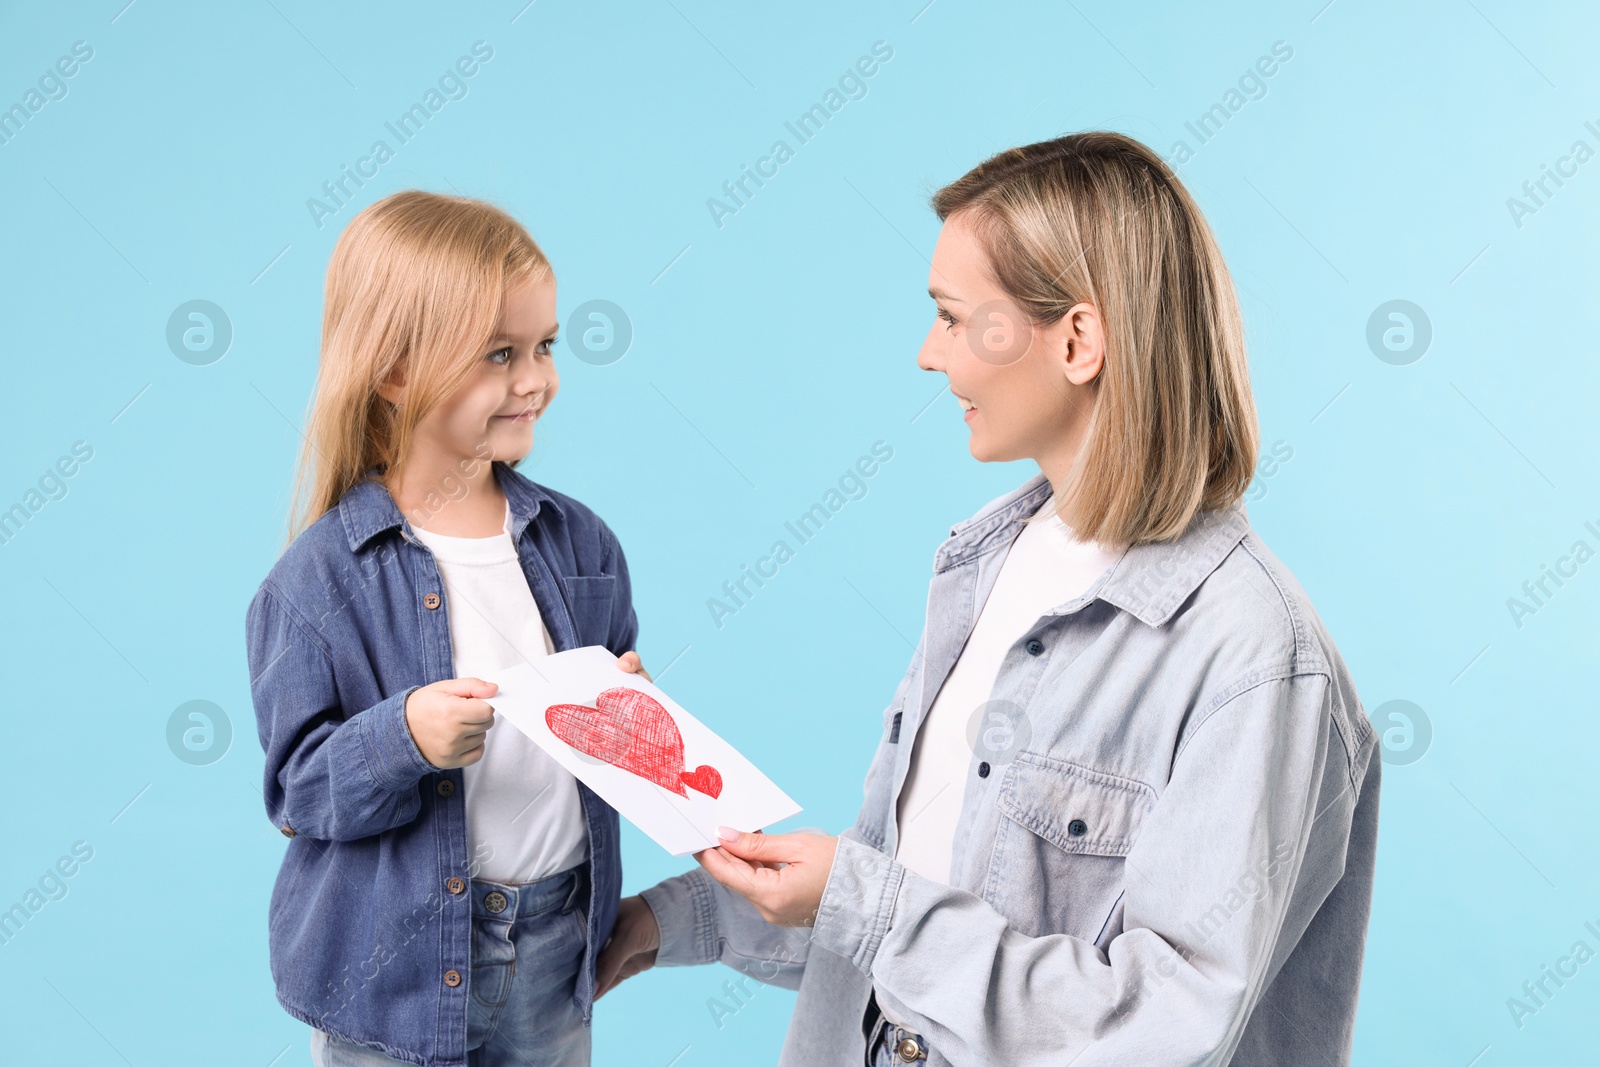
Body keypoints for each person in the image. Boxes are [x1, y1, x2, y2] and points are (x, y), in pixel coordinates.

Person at [598, 132, 1381, 1065]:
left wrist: (863, 899)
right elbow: (912, 900)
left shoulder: (1255, 658)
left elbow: (1169, 1026)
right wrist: (659, 923)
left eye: (956, 317)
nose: (931, 354)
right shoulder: (985, 563)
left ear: (1078, 340)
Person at [245, 190, 643, 1067]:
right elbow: (297, 794)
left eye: (544, 346)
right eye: (500, 353)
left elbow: (602, 744)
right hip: (394, 970)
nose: (537, 378)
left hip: (555, 944)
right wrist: (405, 736)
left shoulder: (582, 543)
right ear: (393, 372)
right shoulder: (316, 581)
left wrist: (628, 716)